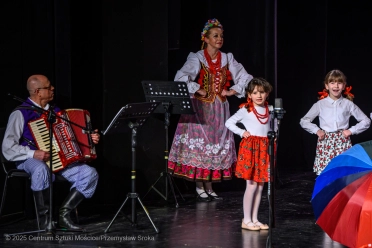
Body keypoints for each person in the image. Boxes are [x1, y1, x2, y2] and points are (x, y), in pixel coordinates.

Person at [167, 18, 253, 201]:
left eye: (221, 36)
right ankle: (200, 185)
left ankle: (210, 184)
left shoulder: (227, 58)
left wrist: (231, 90)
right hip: (201, 108)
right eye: (215, 36)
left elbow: (245, 77)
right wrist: (197, 88)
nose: (219, 39)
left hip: (220, 108)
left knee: (215, 145)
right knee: (201, 145)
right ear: (205, 38)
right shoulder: (197, 57)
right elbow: (180, 77)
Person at [2, 74, 100, 231]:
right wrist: (33, 154)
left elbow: (70, 137)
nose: (53, 89)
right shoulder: (20, 113)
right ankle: (45, 221)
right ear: (38, 91)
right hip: (29, 158)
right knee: (41, 169)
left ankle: (64, 215)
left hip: (59, 159)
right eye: (49, 87)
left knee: (89, 173)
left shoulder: (57, 111)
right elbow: (7, 146)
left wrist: (89, 139)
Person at [300, 69, 370, 175]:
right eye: (332, 83)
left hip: (342, 141)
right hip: (325, 142)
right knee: (325, 174)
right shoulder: (320, 104)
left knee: (343, 173)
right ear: (327, 86)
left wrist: (351, 131)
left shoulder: (348, 104)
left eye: (339, 83)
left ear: (344, 85)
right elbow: (304, 121)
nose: (336, 86)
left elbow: (366, 121)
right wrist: (317, 130)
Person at [225, 78, 273, 231]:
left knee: (260, 186)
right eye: (255, 93)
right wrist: (242, 132)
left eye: (262, 92)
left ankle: (254, 218)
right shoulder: (246, 110)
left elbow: (273, 126)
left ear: (267, 94)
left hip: (265, 148)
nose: (259, 96)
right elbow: (229, 122)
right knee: (251, 185)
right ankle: (246, 219)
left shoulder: (269, 110)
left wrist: (273, 135)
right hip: (251, 148)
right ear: (249, 95)